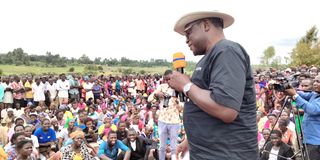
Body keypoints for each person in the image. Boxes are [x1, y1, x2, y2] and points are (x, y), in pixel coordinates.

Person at [169, 11, 258, 159]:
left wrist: (186, 86)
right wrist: (188, 141)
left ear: (205, 25)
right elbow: (204, 106)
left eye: (188, 32)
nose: (186, 40)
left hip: (227, 154)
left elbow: (226, 109)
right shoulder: (210, 57)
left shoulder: (227, 50)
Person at [148, 69, 181, 160]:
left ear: (173, 78)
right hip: (162, 120)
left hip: (174, 121)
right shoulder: (162, 87)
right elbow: (149, 99)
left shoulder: (179, 88)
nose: (167, 81)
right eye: (165, 79)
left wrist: (177, 101)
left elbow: (183, 107)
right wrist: (157, 94)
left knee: (174, 147)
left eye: (169, 79)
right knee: (162, 147)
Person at [285, 75, 320, 159]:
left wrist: (295, 95)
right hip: (309, 139)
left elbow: (313, 110)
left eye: (318, 82)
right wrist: (288, 89)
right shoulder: (315, 95)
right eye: (314, 81)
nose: (315, 83)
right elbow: (303, 94)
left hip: (316, 142)